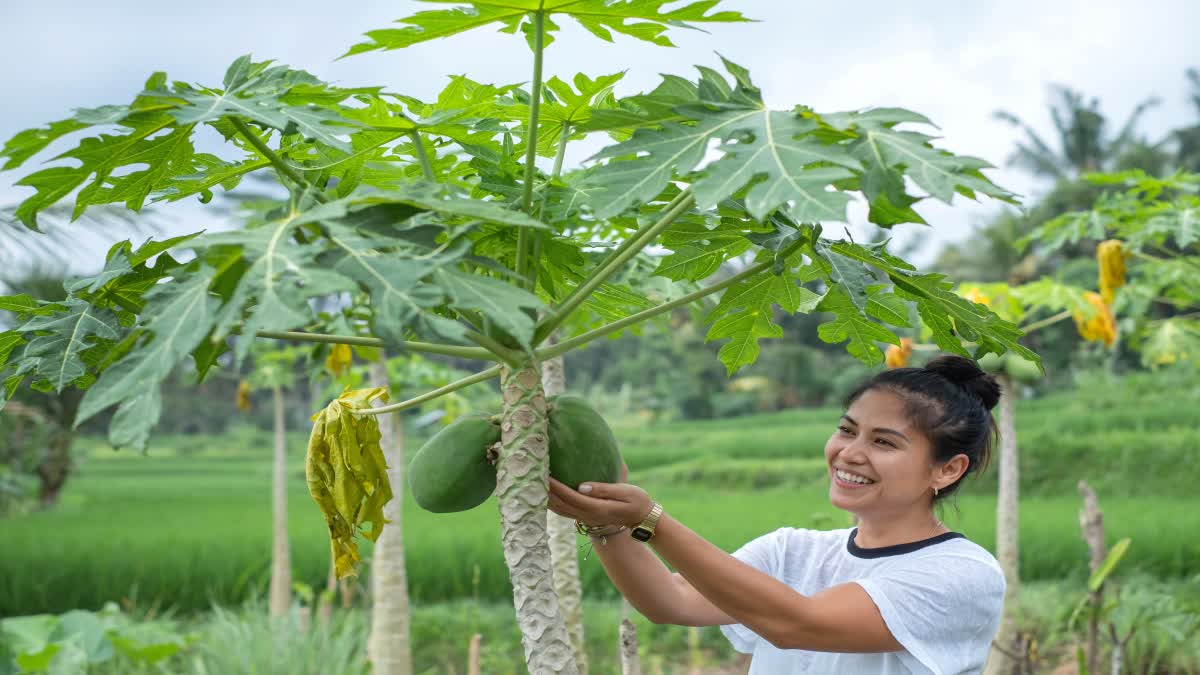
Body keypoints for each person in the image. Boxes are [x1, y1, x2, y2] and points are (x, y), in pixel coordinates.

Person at [548, 354, 1007, 674]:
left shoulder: (962, 575)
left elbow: (798, 624)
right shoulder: (791, 550)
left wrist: (652, 519)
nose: (850, 453)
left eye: (883, 442)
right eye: (847, 431)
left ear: (947, 469)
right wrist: (607, 521)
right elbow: (671, 602)